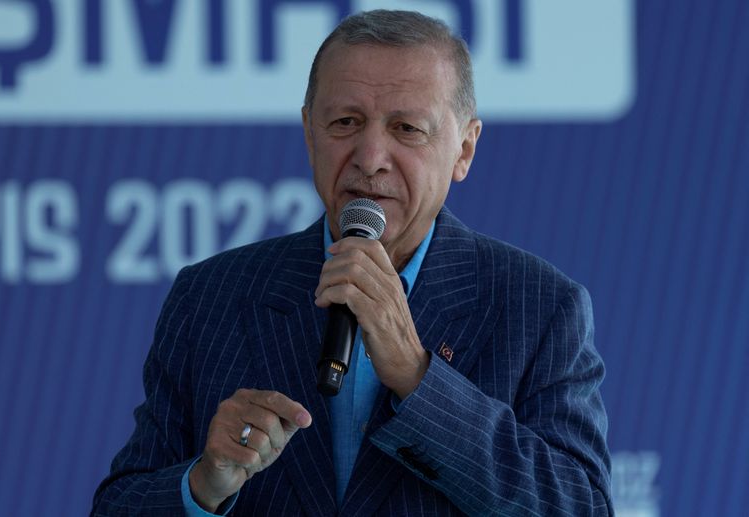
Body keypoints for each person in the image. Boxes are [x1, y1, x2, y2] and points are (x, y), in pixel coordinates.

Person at [92, 9, 612, 516]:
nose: (370, 157)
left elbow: (580, 506)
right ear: (308, 132)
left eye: (407, 128)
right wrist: (203, 485)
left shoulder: (540, 307)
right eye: (346, 122)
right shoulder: (210, 297)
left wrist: (417, 375)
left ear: (464, 150)